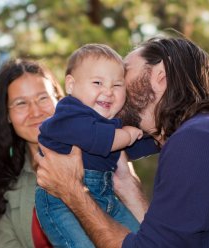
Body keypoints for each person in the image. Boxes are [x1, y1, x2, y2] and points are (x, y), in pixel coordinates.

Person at [35, 36, 209, 248]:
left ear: (160, 76)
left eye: (124, 71)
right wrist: (128, 186)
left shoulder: (200, 139)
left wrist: (72, 191)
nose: (114, 84)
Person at [35, 43, 159, 248]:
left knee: (139, 240)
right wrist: (127, 135)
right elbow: (99, 139)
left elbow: (128, 148)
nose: (108, 92)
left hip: (105, 196)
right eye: (98, 83)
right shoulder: (68, 113)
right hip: (60, 203)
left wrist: (160, 138)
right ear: (71, 85)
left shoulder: (110, 124)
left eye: (117, 85)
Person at [0, 59, 64, 248]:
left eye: (43, 98)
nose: (35, 112)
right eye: (21, 103)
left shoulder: (96, 158)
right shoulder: (0, 184)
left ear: (58, 99)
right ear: (7, 116)